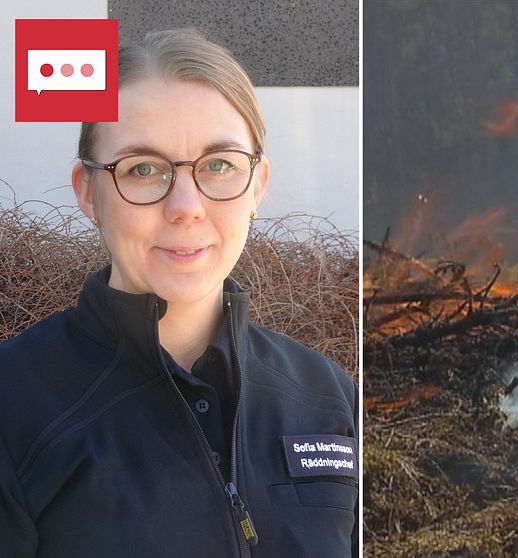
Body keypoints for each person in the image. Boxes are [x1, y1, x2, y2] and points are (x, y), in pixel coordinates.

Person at [0, 29, 358, 557]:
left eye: (219, 165)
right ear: (88, 192)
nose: (186, 205)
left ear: (257, 186)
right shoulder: (15, 403)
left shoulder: (328, 395)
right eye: (143, 170)